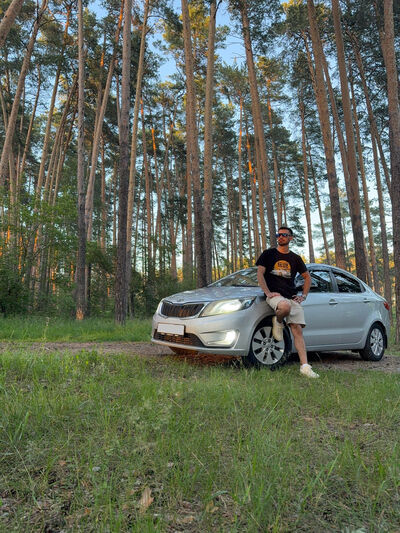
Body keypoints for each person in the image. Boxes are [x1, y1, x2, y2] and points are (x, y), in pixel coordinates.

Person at [256, 226, 319, 378]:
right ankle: (278, 321)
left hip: (291, 296)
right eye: (278, 235)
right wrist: (267, 292)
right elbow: (260, 273)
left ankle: (305, 367)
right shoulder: (268, 254)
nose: (281, 237)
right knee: (284, 306)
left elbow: (307, 277)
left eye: (284, 235)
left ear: (291, 238)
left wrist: (303, 296)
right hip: (275, 296)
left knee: (297, 329)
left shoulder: (295, 258)